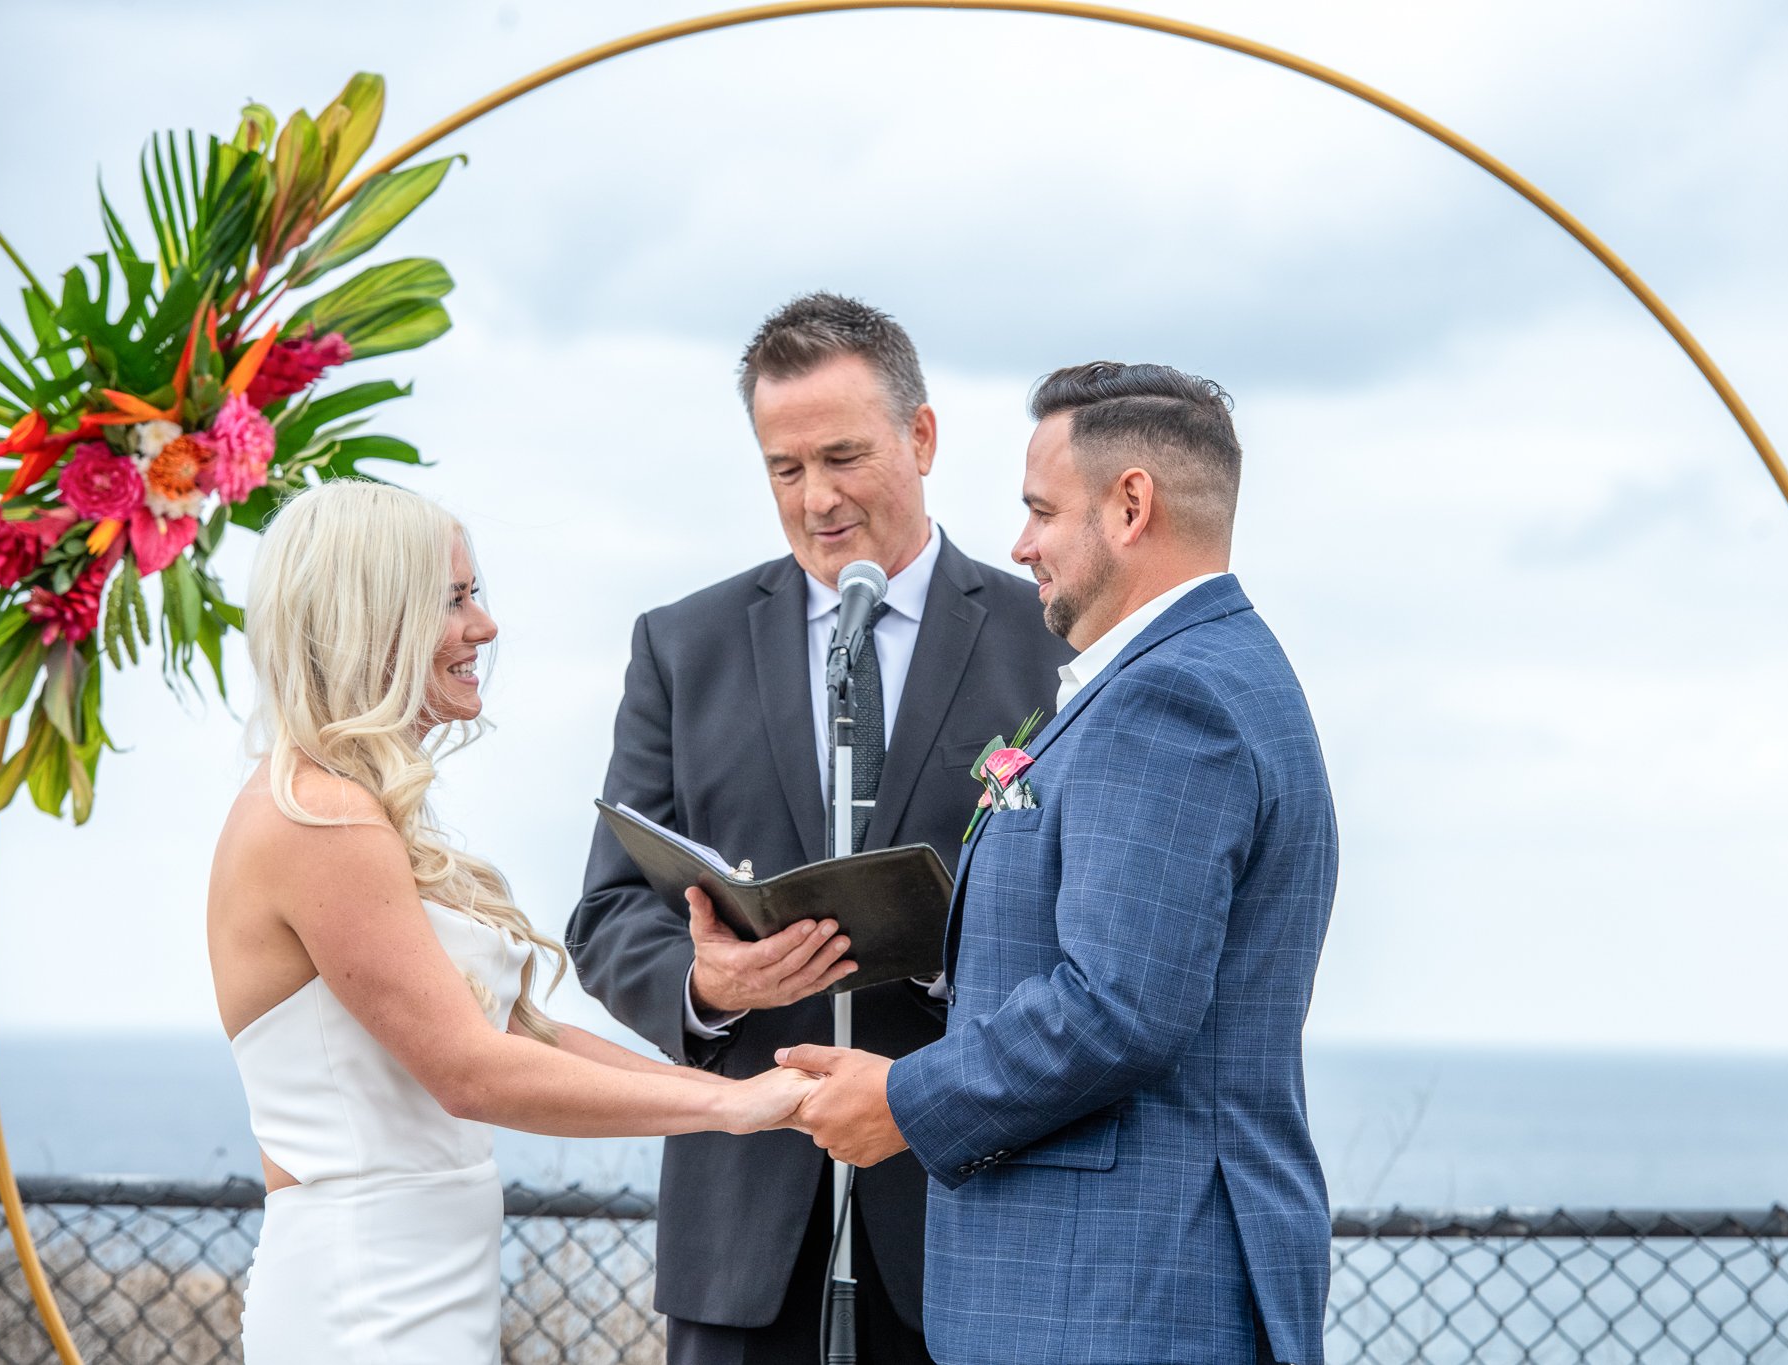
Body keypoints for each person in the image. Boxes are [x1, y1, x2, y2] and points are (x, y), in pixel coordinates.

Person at [779, 363, 1340, 1365]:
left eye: (1041, 511)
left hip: (1122, 1297)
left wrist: (903, 1102)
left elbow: (1119, 1004)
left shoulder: (1171, 698)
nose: (1020, 544)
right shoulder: (1210, 671)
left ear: (1130, 506)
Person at [567, 293, 1070, 1364]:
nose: (816, 499)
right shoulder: (681, 646)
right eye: (784, 469)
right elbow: (606, 913)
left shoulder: (1049, 644)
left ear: (921, 437)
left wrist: (952, 957)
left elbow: (1087, 911)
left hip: (969, 1214)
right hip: (744, 1237)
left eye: (843, 457)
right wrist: (706, 986)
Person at [209, 480, 817, 1364]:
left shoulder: (351, 808)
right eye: (452, 600)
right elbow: (471, 1070)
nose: (484, 627)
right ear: (371, 615)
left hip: (426, 1285)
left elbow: (520, 1035)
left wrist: (748, 1098)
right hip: (364, 1300)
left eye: (475, 594)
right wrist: (734, 1108)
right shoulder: (318, 817)